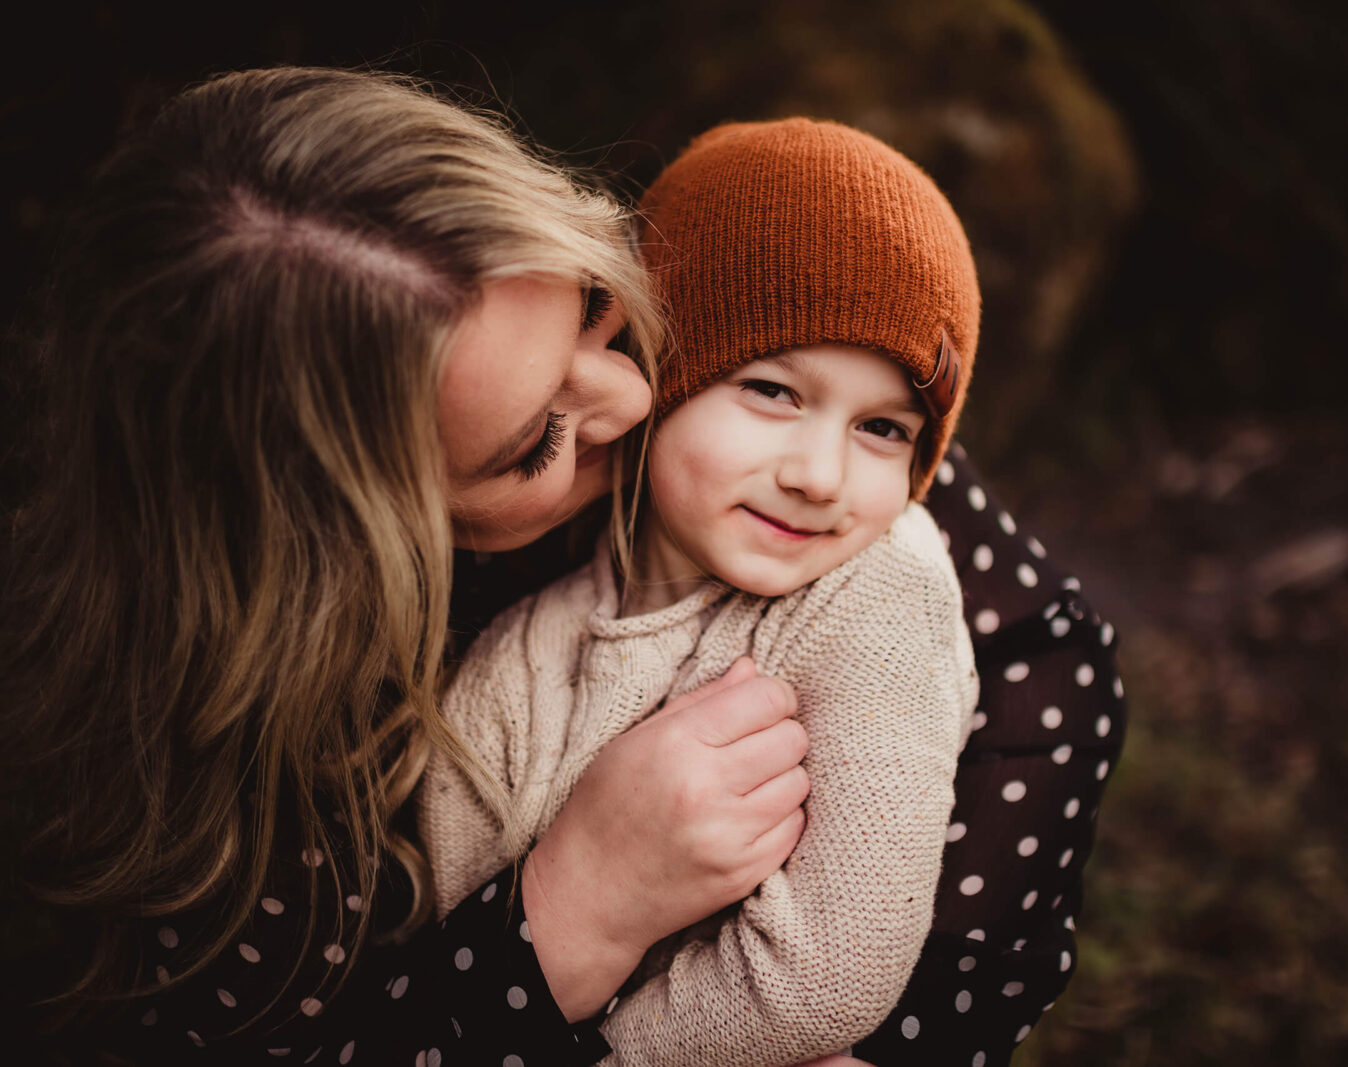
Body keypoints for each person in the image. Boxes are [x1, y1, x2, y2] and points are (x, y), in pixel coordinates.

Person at [4, 65, 1125, 1067]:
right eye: (535, 440)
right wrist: (575, 907)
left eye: (599, 314)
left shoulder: (723, 366)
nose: (637, 399)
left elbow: (1040, 646)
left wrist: (902, 1035)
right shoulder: (195, 805)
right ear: (358, 543)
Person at [419, 117, 982, 1066]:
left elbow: (834, 968)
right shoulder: (527, 645)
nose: (820, 474)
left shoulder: (878, 595)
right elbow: (443, 908)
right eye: (772, 389)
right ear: (659, 377)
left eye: (884, 427)